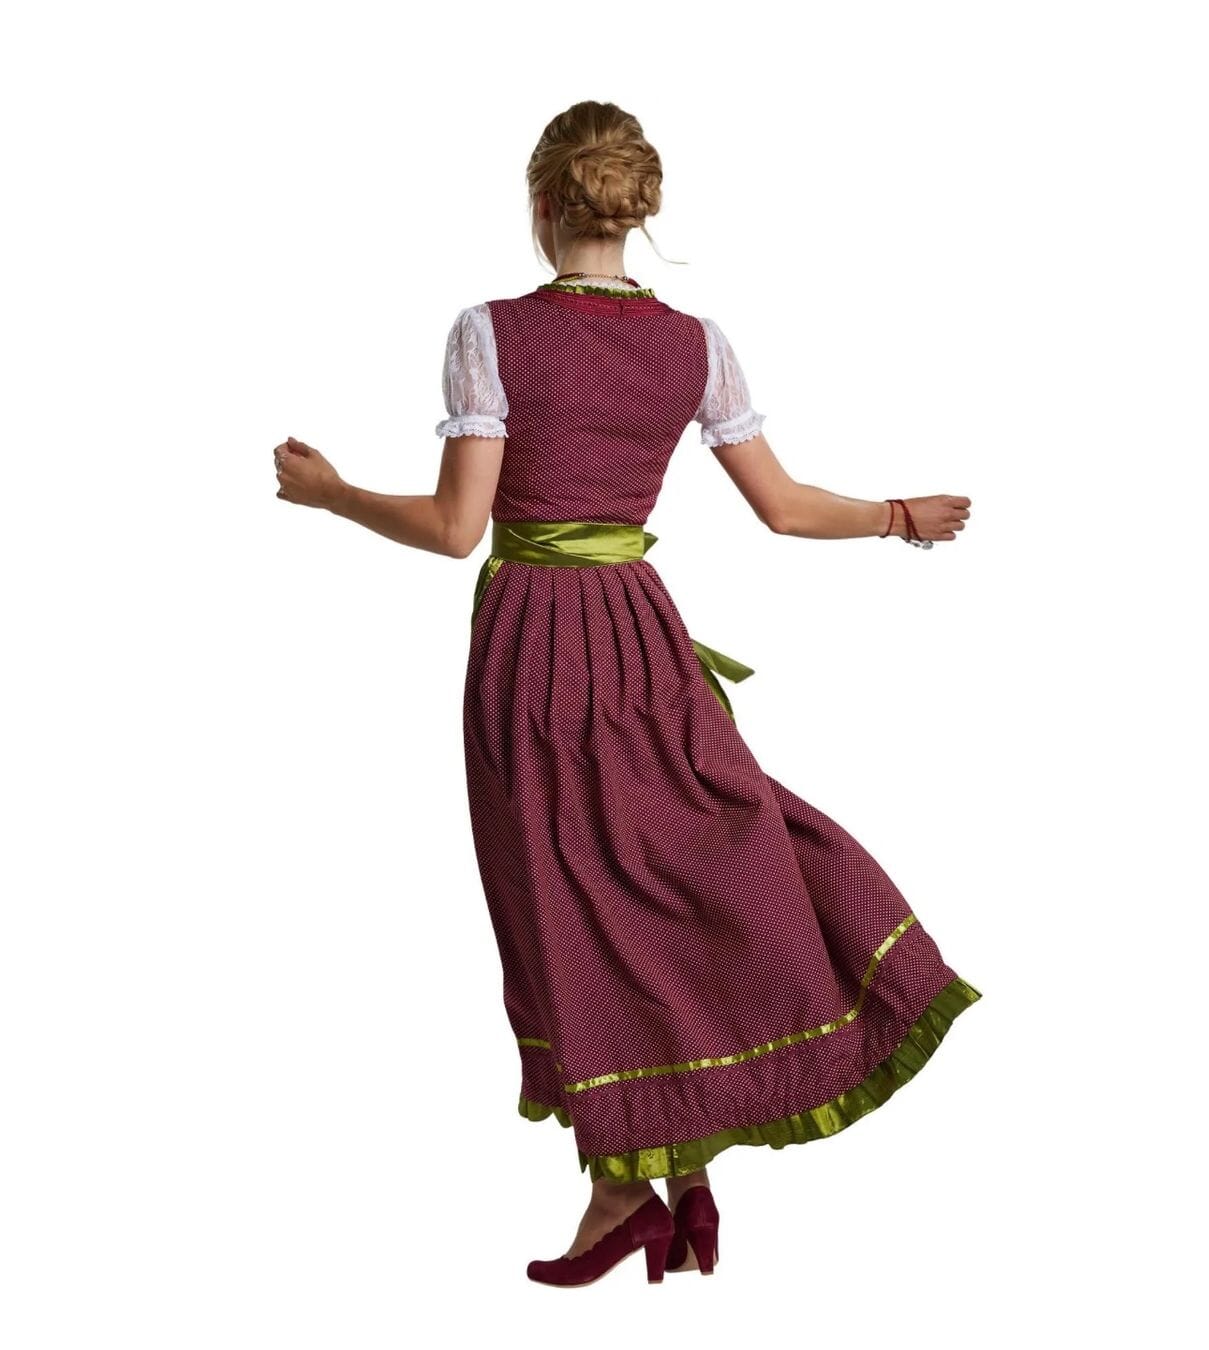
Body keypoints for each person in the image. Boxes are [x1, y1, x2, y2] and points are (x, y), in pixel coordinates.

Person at [271, 99, 981, 1289]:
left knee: (568, 897)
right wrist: (898, 516)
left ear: (542, 204)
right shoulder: (696, 344)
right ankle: (679, 1178)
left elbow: (454, 529)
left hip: (534, 645)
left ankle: (623, 1192)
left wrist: (332, 493)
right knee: (670, 874)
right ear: (633, 209)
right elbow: (785, 507)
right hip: (642, 636)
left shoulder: (490, 333)